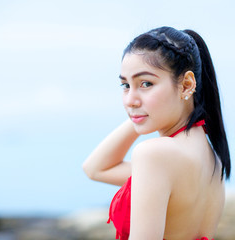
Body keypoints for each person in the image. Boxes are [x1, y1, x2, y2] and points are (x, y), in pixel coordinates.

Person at [82, 26, 231, 240]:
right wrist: (140, 113)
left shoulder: (155, 155)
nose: (129, 99)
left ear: (187, 84)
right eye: (125, 85)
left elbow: (95, 170)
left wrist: (141, 112)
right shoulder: (212, 160)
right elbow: (95, 169)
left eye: (146, 83)